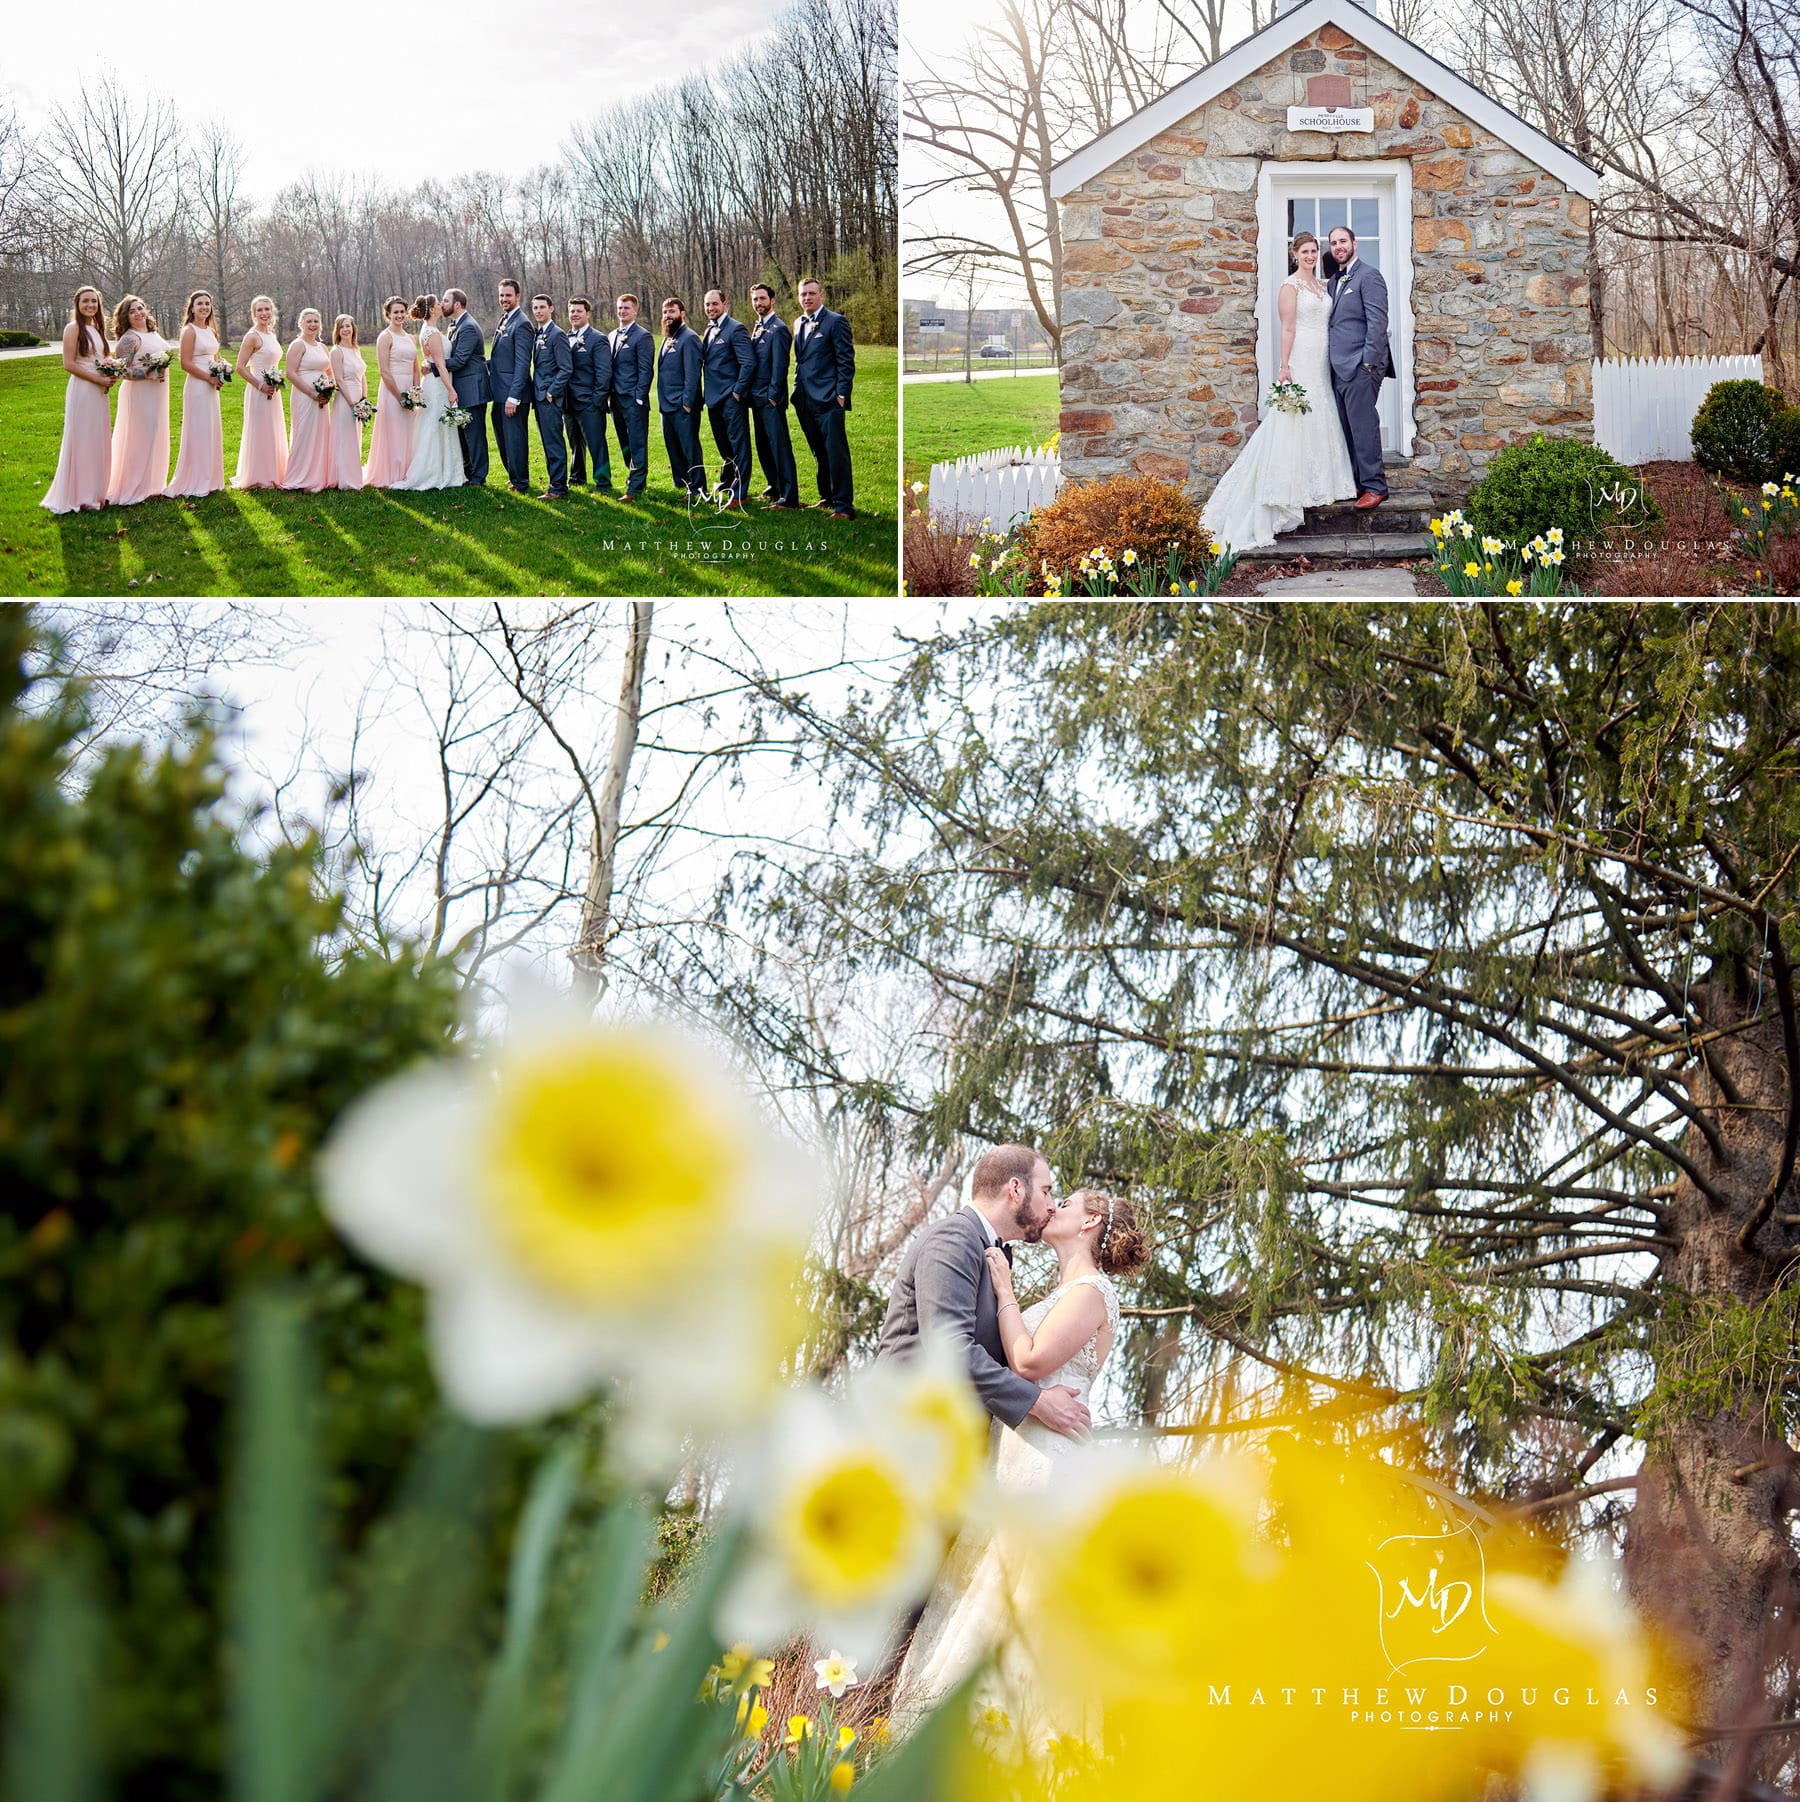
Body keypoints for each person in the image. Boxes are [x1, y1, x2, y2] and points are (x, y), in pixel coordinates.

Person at [888, 1182, 1148, 1743]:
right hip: (1015, 1452)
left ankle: (984, 1741)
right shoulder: (1066, 1289)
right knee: (981, 1587)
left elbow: (1027, 1360)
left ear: (1090, 1222)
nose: (1053, 1206)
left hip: (1045, 1459)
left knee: (1012, 1596)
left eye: (1068, 1201)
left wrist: (1004, 1289)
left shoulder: (1091, 1291)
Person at [1200, 230, 1356, 553]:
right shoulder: (1290, 286)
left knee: (1322, 409)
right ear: (1294, 254)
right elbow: (1288, 327)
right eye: (1305, 252)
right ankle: (1286, 488)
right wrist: (1284, 366)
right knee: (1294, 418)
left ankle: (1324, 482)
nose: (1311, 256)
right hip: (1300, 356)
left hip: (1322, 357)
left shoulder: (1321, 285)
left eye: (1315, 251)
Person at [1325, 223, 1394, 509]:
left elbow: (1378, 323)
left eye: (1343, 241)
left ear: (1354, 244)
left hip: (1360, 366)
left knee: (1364, 426)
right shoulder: (1333, 281)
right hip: (1338, 368)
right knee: (1348, 428)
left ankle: (1376, 486)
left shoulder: (1370, 276)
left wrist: (1367, 363)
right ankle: (1357, 482)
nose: (1338, 246)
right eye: (1333, 243)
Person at [41, 285, 116, 515]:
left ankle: (96, 492)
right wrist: (98, 379)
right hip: (83, 389)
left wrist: (111, 370)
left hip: (99, 392)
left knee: (97, 438)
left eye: (94, 301)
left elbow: (103, 358)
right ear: (77, 303)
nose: (90, 305)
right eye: (86, 301)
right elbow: (69, 364)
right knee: (82, 438)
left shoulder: (98, 329)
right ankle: (79, 495)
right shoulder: (73, 328)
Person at [790, 277, 855, 519]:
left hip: (829, 400)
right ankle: (826, 497)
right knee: (819, 451)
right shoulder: (798, 323)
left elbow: (846, 361)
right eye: (802, 294)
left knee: (836, 452)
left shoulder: (836, 322)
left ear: (821, 296)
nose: (806, 298)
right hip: (805, 400)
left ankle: (844, 506)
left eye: (811, 293)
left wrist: (840, 394)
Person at [392, 294, 466, 491]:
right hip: (437, 385)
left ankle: (446, 468)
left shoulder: (430, 330)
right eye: (438, 304)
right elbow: (440, 365)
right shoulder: (431, 332)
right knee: (435, 425)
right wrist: (451, 390)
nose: (442, 305)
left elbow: (433, 361)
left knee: (437, 424)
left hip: (435, 381)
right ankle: (432, 471)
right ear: (432, 310)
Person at [105, 294, 172, 506]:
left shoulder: (152, 332)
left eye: (140, 308)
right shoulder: (129, 338)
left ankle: (153, 484)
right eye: (132, 311)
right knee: (139, 439)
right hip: (139, 393)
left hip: (158, 393)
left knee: (156, 436)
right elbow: (121, 370)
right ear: (126, 316)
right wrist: (148, 374)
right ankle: (132, 487)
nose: (138, 313)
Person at [165, 289, 227, 498]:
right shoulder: (189, 331)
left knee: (211, 429)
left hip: (211, 386)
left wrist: (220, 374)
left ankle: (210, 478)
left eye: (207, 304)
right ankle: (195, 478)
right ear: (191, 308)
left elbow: (215, 358)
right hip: (198, 386)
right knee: (199, 430)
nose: (204, 307)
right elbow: (185, 363)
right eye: (200, 304)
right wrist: (208, 378)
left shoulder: (210, 330)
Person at [699, 288, 755, 507]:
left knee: (739, 446)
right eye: (707, 305)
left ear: (724, 304)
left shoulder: (736, 329)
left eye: (714, 304)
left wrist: (737, 392)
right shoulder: (709, 330)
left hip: (731, 399)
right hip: (713, 399)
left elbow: (748, 363)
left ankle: (740, 493)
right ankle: (728, 481)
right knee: (725, 447)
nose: (711, 308)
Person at [748, 283, 798, 508]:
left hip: (770, 399)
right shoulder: (758, 326)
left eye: (762, 299)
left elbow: (780, 367)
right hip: (756, 398)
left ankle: (789, 497)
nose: (758, 303)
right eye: (755, 299)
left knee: (779, 446)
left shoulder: (778, 329)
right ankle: (773, 486)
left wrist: (772, 396)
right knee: (764, 445)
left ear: (772, 301)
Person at [364, 296, 420, 488]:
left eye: (402, 312)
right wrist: (400, 397)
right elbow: (384, 371)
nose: (399, 315)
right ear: (388, 315)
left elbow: (415, 367)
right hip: (392, 389)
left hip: (409, 388)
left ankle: (407, 471)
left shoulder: (411, 337)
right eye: (395, 312)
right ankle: (390, 472)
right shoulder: (385, 337)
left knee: (409, 431)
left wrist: (415, 392)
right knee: (394, 430)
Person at [233, 295, 288, 490]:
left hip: (273, 389)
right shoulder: (252, 336)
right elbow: (240, 367)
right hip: (259, 389)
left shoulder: (270, 334)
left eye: (267, 309)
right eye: (260, 310)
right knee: (261, 430)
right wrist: (260, 385)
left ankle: (276, 471)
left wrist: (275, 381)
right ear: (254, 314)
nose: (264, 313)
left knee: (273, 429)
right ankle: (259, 475)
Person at [281, 308, 336, 493]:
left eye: (316, 322)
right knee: (304, 434)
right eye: (309, 322)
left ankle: (317, 475)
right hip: (304, 396)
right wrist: (311, 393)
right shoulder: (298, 345)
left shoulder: (321, 347)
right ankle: (298, 477)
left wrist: (328, 387)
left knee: (320, 434)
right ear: (301, 324)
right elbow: (290, 373)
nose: (313, 325)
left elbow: (328, 370)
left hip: (322, 396)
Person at [562, 296, 613, 493]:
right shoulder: (565, 337)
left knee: (596, 443)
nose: (574, 314)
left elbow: (604, 373)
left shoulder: (597, 339)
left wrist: (596, 400)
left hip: (589, 403)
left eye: (579, 311)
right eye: (572, 311)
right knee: (575, 444)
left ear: (588, 313)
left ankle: (603, 482)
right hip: (568, 402)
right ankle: (577, 478)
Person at [655, 296, 705, 498]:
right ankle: (682, 483)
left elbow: (693, 374)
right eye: (665, 312)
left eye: (672, 312)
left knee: (689, 448)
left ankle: (698, 486)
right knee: (673, 446)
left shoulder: (689, 338)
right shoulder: (668, 337)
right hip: (666, 406)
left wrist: (686, 404)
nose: (668, 316)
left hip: (683, 406)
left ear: (682, 314)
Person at [488, 277, 534, 492]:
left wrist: (513, 397)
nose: (504, 299)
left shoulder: (522, 323)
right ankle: (513, 476)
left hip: (513, 395)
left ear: (517, 296)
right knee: (503, 439)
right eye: (501, 296)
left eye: (508, 295)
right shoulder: (505, 319)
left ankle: (521, 482)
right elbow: (501, 358)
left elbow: (523, 364)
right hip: (499, 392)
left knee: (515, 440)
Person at [607, 292, 653, 501]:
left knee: (637, 442)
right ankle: (633, 476)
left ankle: (635, 487)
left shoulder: (642, 336)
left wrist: (639, 397)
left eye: (626, 307)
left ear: (635, 310)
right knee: (624, 441)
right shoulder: (612, 335)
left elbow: (646, 370)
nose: (622, 311)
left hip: (633, 399)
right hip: (615, 398)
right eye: (620, 307)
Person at [441, 289, 489, 484]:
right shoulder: (454, 325)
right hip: (462, 387)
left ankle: (479, 477)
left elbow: (460, 360)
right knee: (463, 434)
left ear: (457, 304)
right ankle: (468, 473)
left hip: (473, 388)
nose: (442, 304)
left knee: (474, 435)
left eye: (445, 300)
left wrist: (435, 367)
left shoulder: (468, 327)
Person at [528, 293, 571, 499]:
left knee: (554, 442)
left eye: (542, 307)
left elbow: (566, 368)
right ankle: (555, 482)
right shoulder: (539, 334)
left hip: (549, 398)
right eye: (535, 308)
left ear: (551, 308)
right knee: (547, 442)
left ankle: (558, 488)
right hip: (538, 398)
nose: (538, 311)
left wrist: (552, 392)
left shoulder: (557, 335)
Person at [325, 315, 367, 491]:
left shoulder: (356, 349)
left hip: (358, 397)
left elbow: (363, 376)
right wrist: (352, 402)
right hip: (345, 398)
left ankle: (354, 474)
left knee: (355, 438)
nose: (345, 329)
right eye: (342, 327)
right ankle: (344, 479)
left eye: (348, 326)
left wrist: (363, 400)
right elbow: (339, 380)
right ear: (338, 330)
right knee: (345, 438)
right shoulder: (336, 351)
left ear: (353, 328)